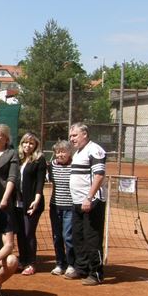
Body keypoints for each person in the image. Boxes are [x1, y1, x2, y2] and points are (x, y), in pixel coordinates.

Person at [68, 122, 107, 285]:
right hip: (77, 202)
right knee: (78, 236)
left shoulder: (94, 149)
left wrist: (89, 197)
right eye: (70, 136)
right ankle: (81, 268)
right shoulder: (78, 152)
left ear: (85, 134)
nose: (72, 139)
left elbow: (99, 175)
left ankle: (96, 273)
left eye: (74, 135)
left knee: (92, 238)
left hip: (91, 202)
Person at [14, 132, 47, 276]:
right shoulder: (19, 159)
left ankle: (31, 263)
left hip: (32, 203)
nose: (28, 145)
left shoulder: (39, 159)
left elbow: (40, 181)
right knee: (20, 233)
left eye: (31, 143)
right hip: (18, 202)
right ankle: (22, 261)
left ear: (36, 145)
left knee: (29, 233)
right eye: (25, 142)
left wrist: (36, 200)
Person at [47, 140, 77, 277]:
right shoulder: (52, 165)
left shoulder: (75, 165)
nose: (60, 155)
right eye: (57, 152)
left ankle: (72, 264)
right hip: (55, 206)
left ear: (70, 152)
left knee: (68, 236)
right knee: (57, 236)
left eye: (63, 152)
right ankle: (60, 263)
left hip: (70, 207)